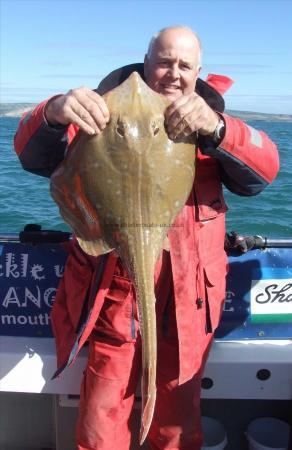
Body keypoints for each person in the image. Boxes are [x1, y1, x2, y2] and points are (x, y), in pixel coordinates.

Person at [14, 26, 279, 450]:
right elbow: (32, 154)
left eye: (184, 65)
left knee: (177, 419)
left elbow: (263, 170)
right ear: (146, 60)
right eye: (164, 62)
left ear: (198, 72)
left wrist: (217, 128)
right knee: (102, 416)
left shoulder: (210, 122)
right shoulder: (102, 113)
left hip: (189, 299)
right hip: (116, 294)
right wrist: (55, 110)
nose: (173, 73)